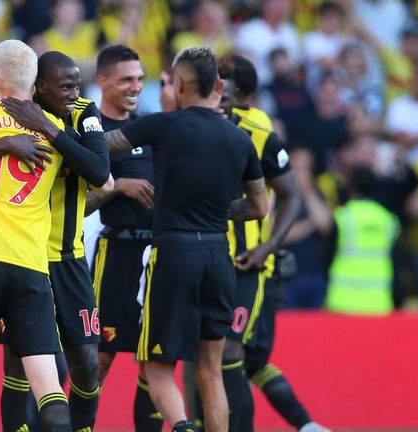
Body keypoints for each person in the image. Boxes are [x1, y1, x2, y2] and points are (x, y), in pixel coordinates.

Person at [0, 50, 112, 432]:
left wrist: (45, 131)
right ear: (37, 86)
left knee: (84, 361)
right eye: (65, 86)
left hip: (61, 256)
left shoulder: (82, 114)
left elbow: (103, 175)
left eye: (76, 85)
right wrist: (5, 140)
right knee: (24, 366)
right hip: (28, 259)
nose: (73, 93)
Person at [104, 46, 268, 432]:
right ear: (218, 85)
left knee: (155, 368)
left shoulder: (162, 125)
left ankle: (181, 426)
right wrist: (215, 211)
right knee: (210, 372)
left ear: (178, 84)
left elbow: (105, 144)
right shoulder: (238, 139)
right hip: (218, 253)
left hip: (174, 253)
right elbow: (259, 206)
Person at [209, 55, 302, 432]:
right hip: (195, 257)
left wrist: (267, 247)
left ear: (240, 96)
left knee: (234, 352)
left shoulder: (257, 128)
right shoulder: (182, 122)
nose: (218, 96)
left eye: (225, 90)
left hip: (244, 262)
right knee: (201, 355)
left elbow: (291, 195)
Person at [84, 44, 164, 432]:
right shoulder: (91, 130)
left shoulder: (149, 127)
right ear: (102, 81)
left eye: (140, 79)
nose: (136, 87)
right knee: (97, 360)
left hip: (157, 257)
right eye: (126, 79)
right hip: (116, 255)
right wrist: (117, 187)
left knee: (155, 362)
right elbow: (77, 205)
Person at [326, 167, 400, 315]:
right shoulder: (388, 220)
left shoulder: (342, 216)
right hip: (379, 302)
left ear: (352, 187)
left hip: (342, 301)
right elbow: (397, 260)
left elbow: (327, 255)